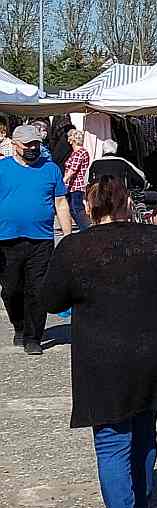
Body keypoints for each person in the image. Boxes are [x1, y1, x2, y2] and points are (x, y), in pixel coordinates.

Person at [43, 176, 157, 508]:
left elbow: (51, 298)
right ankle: (139, 507)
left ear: (91, 206)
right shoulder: (154, 240)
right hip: (151, 348)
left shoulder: (75, 247)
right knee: (143, 430)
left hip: (101, 353)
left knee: (112, 442)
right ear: (127, 202)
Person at [0, 125, 73, 355]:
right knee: (11, 289)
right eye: (28, 145)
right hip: (6, 239)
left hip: (41, 239)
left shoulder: (50, 169)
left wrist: (68, 237)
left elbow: (61, 203)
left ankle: (34, 336)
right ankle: (19, 325)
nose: (33, 148)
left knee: (38, 288)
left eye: (36, 144)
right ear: (15, 145)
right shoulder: (2, 169)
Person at [63, 129, 92, 231]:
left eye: (68, 137)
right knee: (74, 208)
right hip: (74, 185)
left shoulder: (78, 153)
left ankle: (85, 229)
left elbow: (72, 170)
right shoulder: (80, 152)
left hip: (76, 185)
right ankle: (84, 228)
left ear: (72, 139)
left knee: (76, 209)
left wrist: (63, 181)